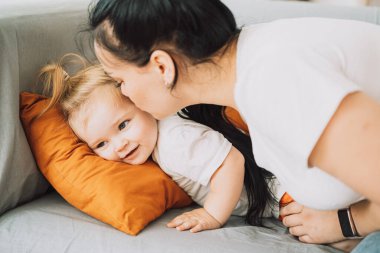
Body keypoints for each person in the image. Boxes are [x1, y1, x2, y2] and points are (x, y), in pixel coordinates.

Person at [87, 0, 380, 249]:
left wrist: (348, 222)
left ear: (162, 66)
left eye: (120, 80)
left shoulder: (275, 79)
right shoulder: (248, 72)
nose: (123, 92)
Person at [38, 54, 280, 233]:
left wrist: (212, 215)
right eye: (101, 144)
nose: (119, 145)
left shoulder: (174, 141)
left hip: (280, 191)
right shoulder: (154, 139)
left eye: (123, 125)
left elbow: (231, 160)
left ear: (142, 104)